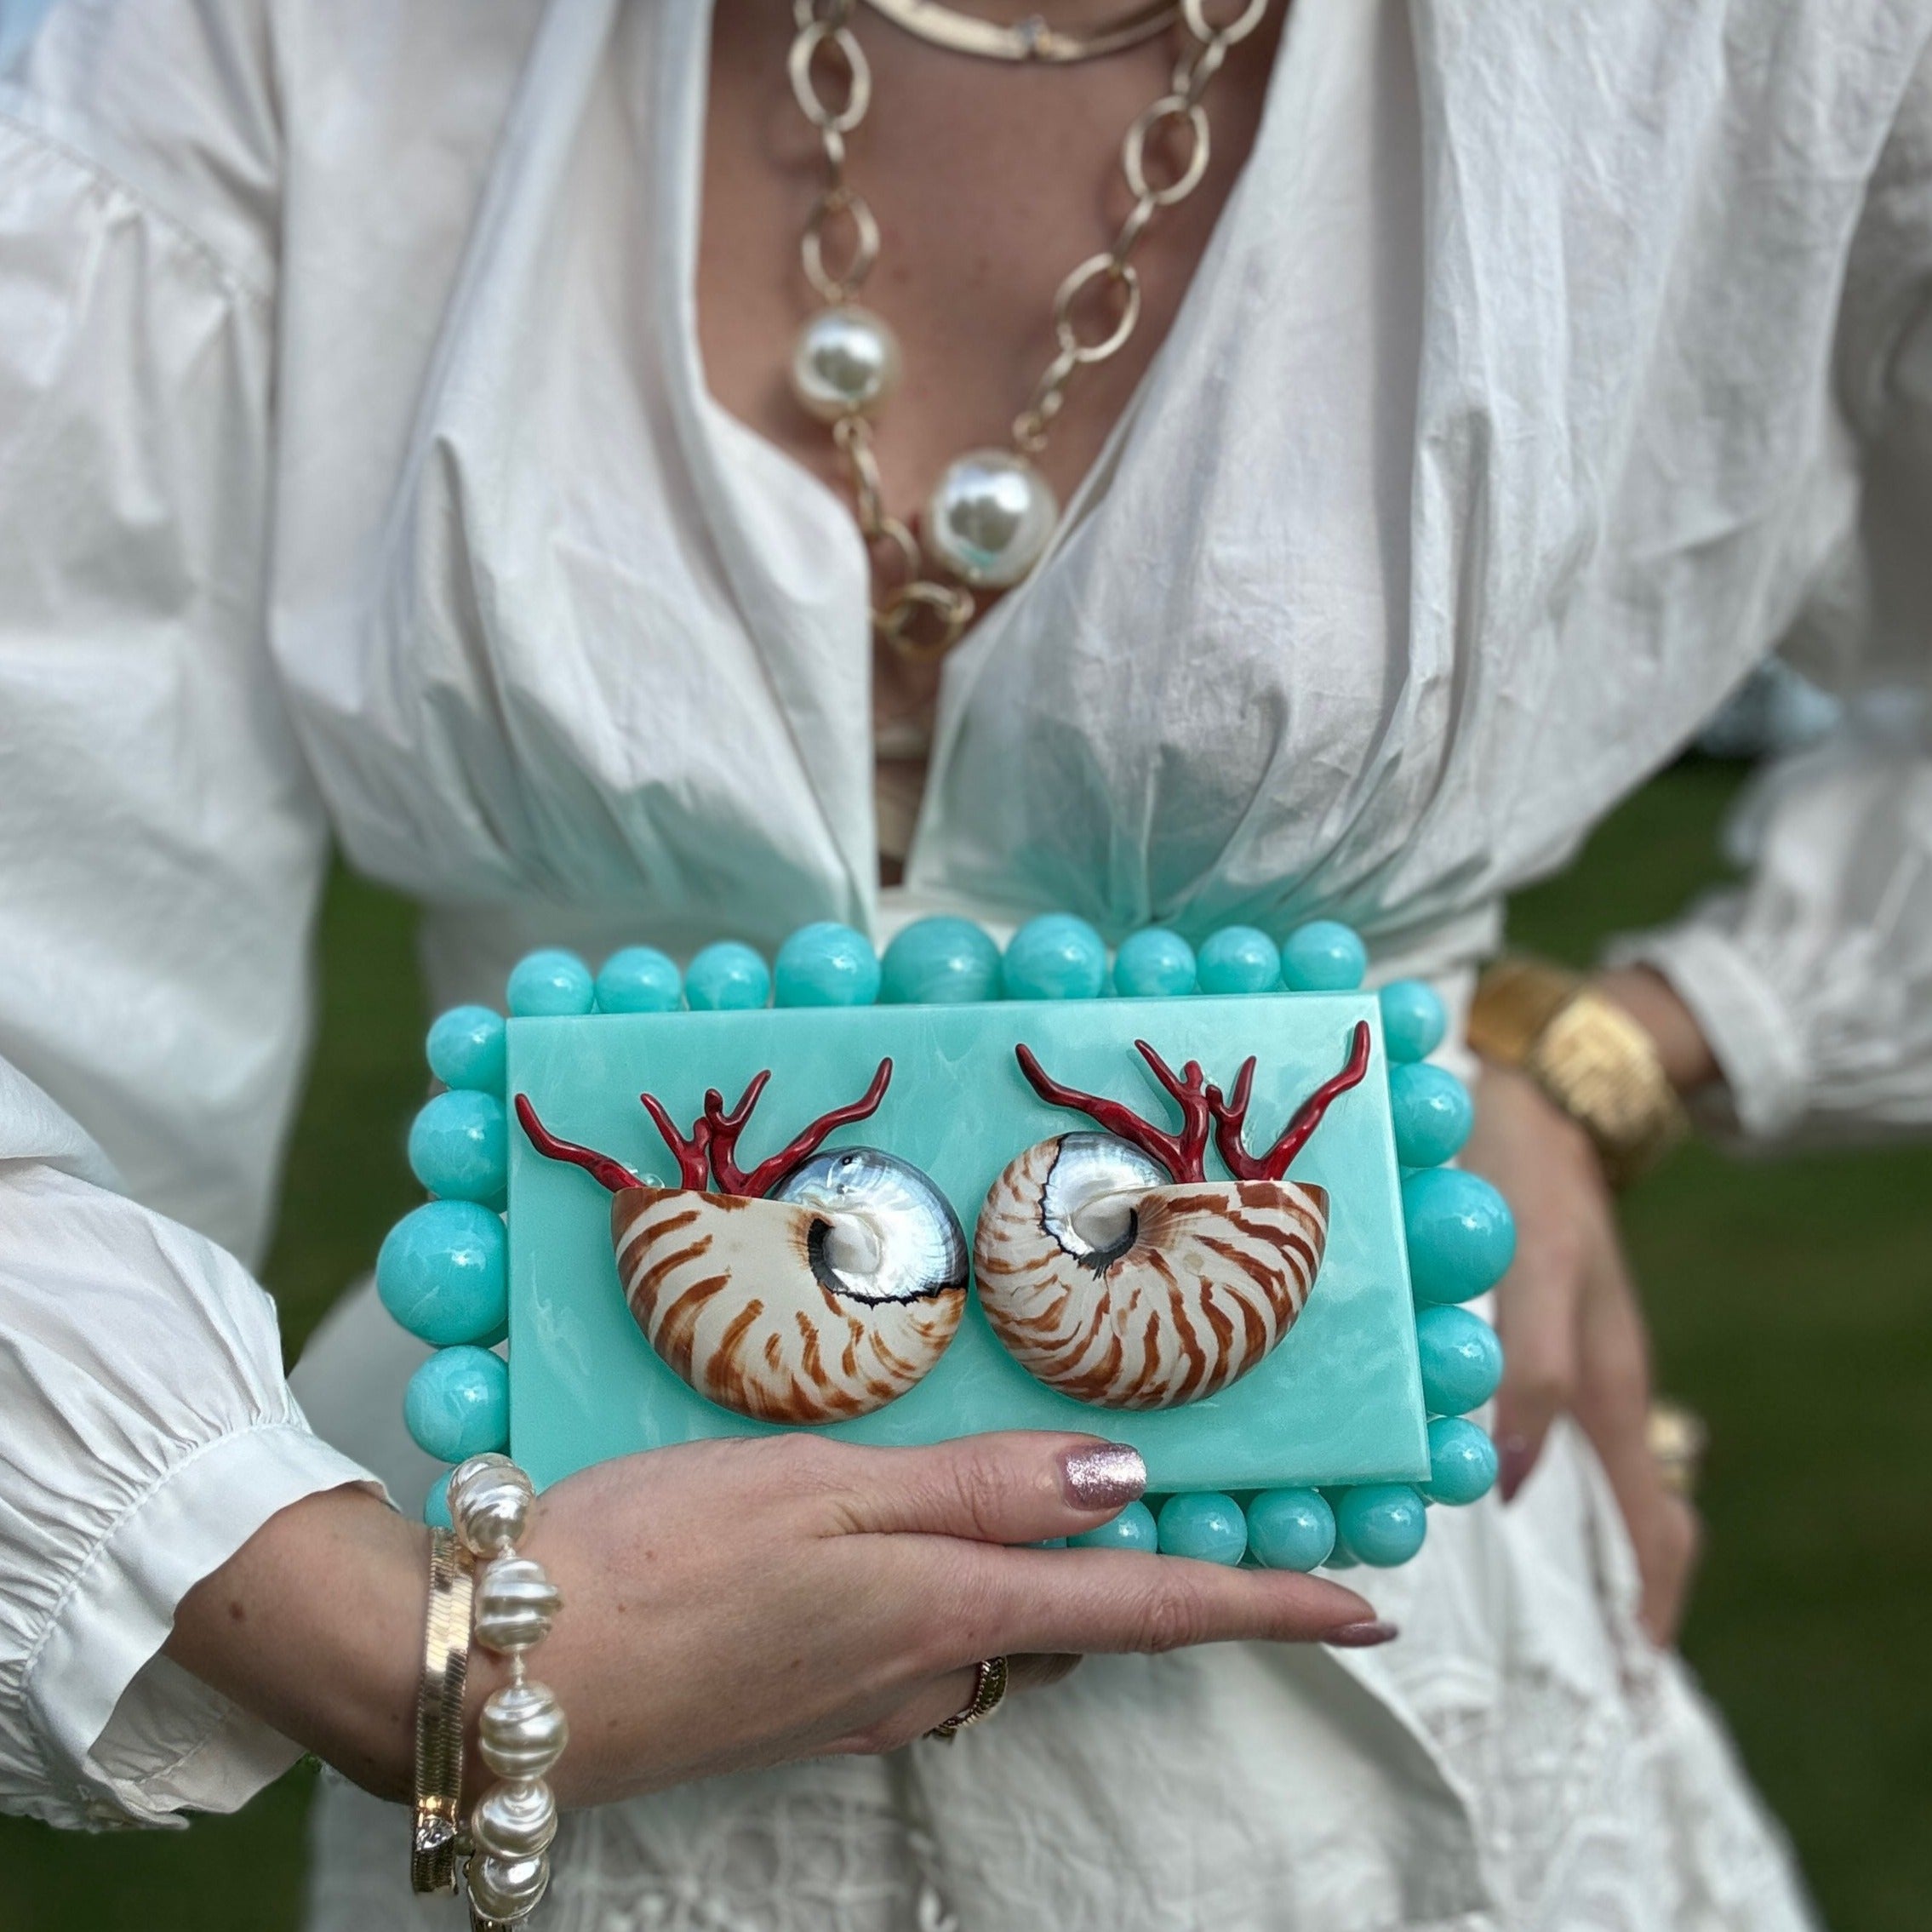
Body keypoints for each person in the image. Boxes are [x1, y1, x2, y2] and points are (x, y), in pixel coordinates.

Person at [4, 0, 1929, 1924]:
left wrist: (1616, 1046)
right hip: (564, 1677)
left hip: (1376, 1731)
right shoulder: (260, 43)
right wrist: (388, 1649)